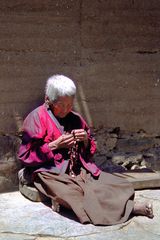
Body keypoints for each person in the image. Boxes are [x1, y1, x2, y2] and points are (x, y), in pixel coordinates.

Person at [18, 74, 154, 225]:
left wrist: (84, 140)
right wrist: (55, 145)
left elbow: (89, 150)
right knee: (73, 193)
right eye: (62, 105)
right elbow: (25, 155)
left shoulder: (75, 118)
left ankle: (127, 207)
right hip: (50, 172)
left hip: (77, 169)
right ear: (48, 100)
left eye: (70, 105)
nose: (67, 109)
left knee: (116, 184)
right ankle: (133, 208)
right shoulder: (36, 118)